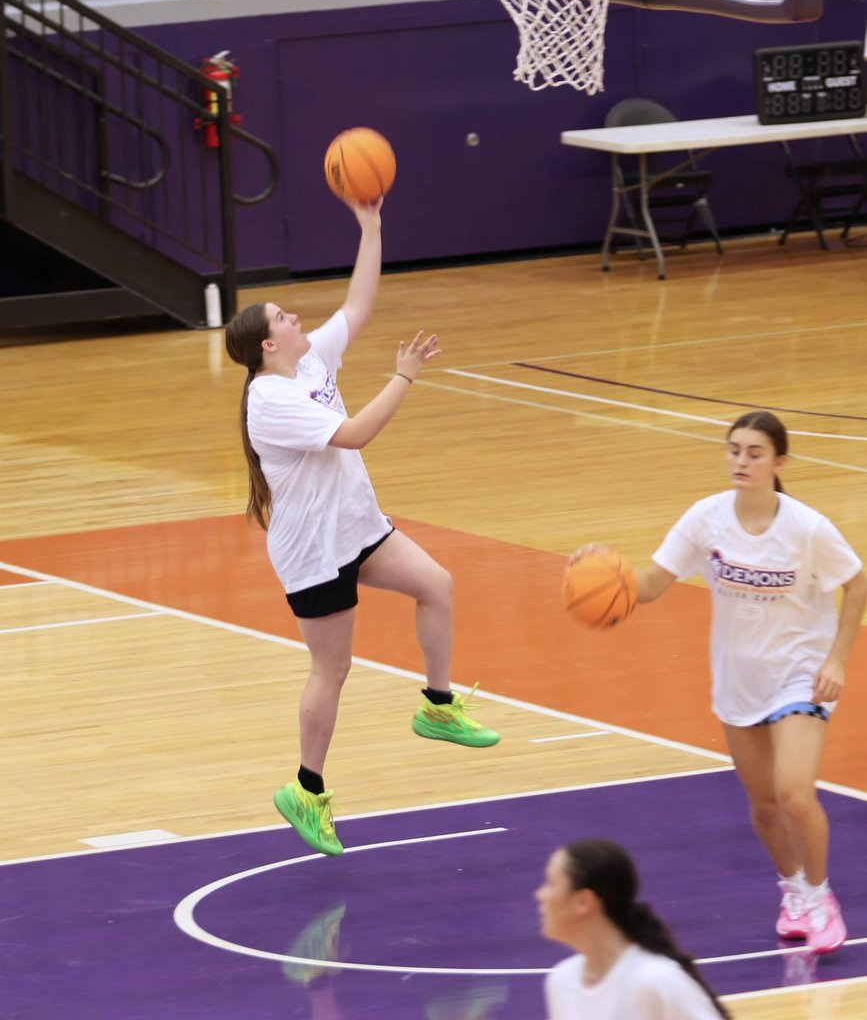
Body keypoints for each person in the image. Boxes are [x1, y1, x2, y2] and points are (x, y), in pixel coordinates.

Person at [224, 197, 499, 858]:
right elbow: (352, 434)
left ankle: (438, 706)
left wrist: (371, 226)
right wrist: (404, 377)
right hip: (313, 553)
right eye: (283, 317)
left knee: (436, 584)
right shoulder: (270, 399)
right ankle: (305, 789)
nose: (296, 317)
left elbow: (359, 304)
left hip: (356, 526)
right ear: (267, 344)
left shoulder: (309, 360)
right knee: (333, 669)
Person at [571, 411, 866, 955]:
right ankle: (794, 892)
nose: (741, 461)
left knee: (795, 796)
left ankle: (822, 898)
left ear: (779, 462)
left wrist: (837, 661)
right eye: (734, 450)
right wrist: (610, 576)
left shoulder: (807, 527)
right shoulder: (706, 519)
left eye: (754, 453)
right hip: (739, 676)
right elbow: (654, 582)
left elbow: (857, 581)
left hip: (799, 674)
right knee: (764, 805)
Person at [537, 838, 730, 1019]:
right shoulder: (562, 982)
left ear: (583, 901)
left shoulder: (655, 982)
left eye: (551, 883)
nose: (540, 895)